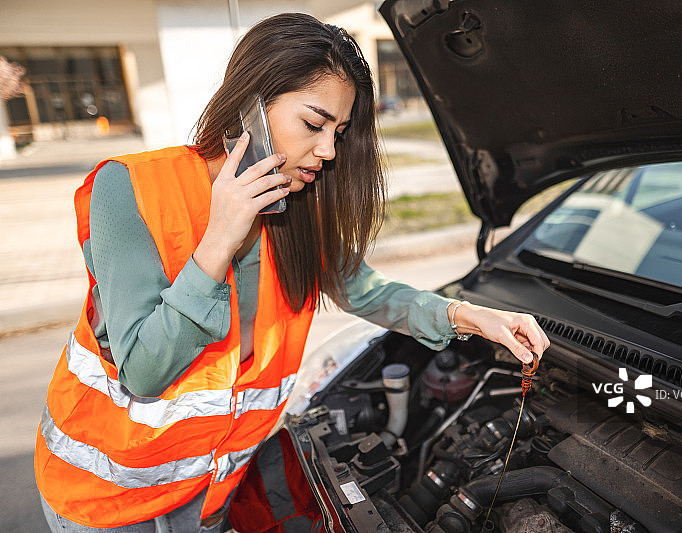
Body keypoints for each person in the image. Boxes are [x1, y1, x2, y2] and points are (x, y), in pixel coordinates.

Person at [34, 12, 550, 533]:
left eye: (340, 132)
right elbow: (144, 371)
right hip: (105, 499)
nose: (328, 151)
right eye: (313, 124)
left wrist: (475, 317)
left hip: (209, 493)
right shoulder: (130, 191)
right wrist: (219, 241)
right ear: (251, 106)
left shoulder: (301, 207)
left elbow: (368, 292)